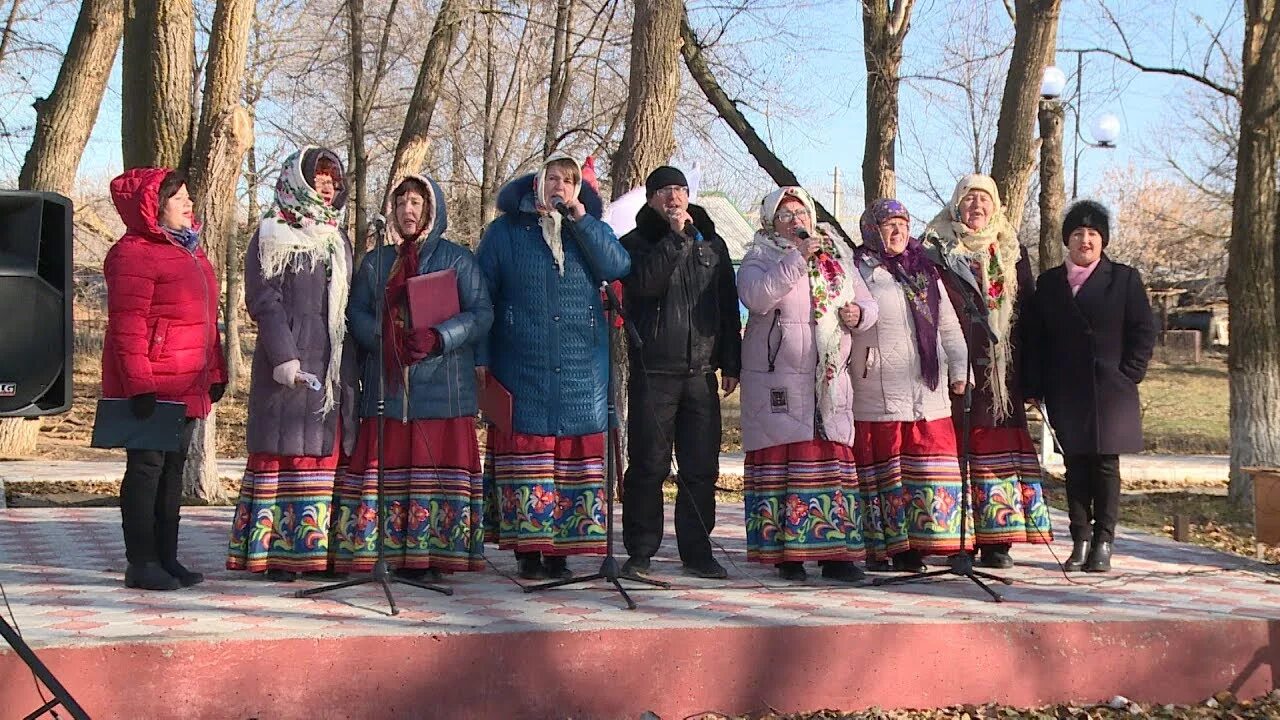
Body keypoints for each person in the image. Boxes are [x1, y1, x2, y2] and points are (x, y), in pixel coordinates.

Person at [477, 153, 631, 581]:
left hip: (581, 371)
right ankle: (528, 550)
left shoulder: (590, 230)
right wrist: (481, 360)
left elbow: (619, 266)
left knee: (567, 458)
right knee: (529, 454)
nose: (560, 185)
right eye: (553, 178)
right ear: (538, 184)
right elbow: (480, 300)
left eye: (569, 179)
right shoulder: (505, 234)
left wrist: (582, 222)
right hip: (521, 364)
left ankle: (560, 550)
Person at [333, 173, 492, 578]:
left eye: (416, 203)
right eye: (401, 202)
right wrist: (386, 338)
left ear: (431, 210)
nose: (407, 209)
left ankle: (434, 556)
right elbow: (356, 313)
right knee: (388, 469)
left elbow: (481, 314)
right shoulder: (376, 262)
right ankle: (382, 551)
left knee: (432, 472)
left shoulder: (458, 260)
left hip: (443, 389)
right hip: (388, 389)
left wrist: (440, 336)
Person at [227, 147, 358, 581]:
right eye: (319, 177)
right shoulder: (273, 231)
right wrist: (284, 356)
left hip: (333, 359)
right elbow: (265, 301)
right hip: (290, 360)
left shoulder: (337, 237)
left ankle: (317, 552)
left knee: (322, 452)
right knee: (287, 451)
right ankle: (278, 554)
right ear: (298, 181)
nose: (327, 185)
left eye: (332, 179)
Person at [736, 186, 877, 582]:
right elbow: (757, 297)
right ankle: (788, 555)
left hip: (828, 379)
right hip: (778, 379)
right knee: (786, 460)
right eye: (785, 215)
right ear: (770, 222)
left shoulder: (836, 257)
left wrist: (858, 314)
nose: (795, 220)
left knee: (829, 459)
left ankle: (838, 556)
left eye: (801, 213)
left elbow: (868, 303)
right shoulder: (759, 256)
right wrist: (797, 259)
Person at [102, 168, 226, 591]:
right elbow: (127, 323)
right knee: (146, 470)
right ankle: (142, 562)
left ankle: (166, 557)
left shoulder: (191, 251)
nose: (190, 204)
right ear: (155, 206)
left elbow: (208, 319)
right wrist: (139, 383)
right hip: (153, 384)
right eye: (180, 198)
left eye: (190, 196)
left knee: (173, 471)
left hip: (188, 383)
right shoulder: (133, 253)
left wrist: (216, 371)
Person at [618, 166, 742, 580]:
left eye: (681, 189)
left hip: (701, 372)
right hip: (654, 370)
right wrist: (674, 238)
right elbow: (646, 285)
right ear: (652, 198)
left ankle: (697, 551)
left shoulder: (712, 243)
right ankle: (640, 551)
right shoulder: (635, 243)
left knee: (700, 466)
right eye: (666, 190)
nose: (675, 197)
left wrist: (732, 362)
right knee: (649, 465)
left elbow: (726, 304)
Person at [924, 174, 1053, 569]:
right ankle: (956, 540)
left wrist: (1032, 379)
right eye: (969, 200)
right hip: (954, 373)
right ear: (956, 205)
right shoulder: (935, 248)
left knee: (996, 452)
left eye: (984, 200)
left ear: (996, 206)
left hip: (1001, 377)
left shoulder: (1010, 251)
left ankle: (998, 540)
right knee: (955, 454)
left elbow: (1029, 318)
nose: (976, 207)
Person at [1025, 200, 1156, 573]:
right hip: (1066, 389)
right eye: (1079, 233)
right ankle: (1080, 538)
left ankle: (1104, 542)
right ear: (1068, 240)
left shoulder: (1124, 279)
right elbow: (1036, 338)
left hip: (1111, 390)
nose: (1086, 240)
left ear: (1103, 241)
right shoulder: (1049, 282)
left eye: (1093, 234)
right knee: (1076, 465)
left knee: (1105, 465)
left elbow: (1143, 331)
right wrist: (1033, 384)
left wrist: (1129, 372)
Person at [850, 199, 971, 572]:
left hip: (926, 391)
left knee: (929, 467)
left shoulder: (925, 270)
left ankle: (931, 541)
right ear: (872, 229)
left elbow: (948, 325)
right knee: (890, 471)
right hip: (877, 388)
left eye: (903, 223)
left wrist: (959, 368)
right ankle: (893, 549)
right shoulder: (858, 270)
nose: (898, 230)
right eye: (889, 224)